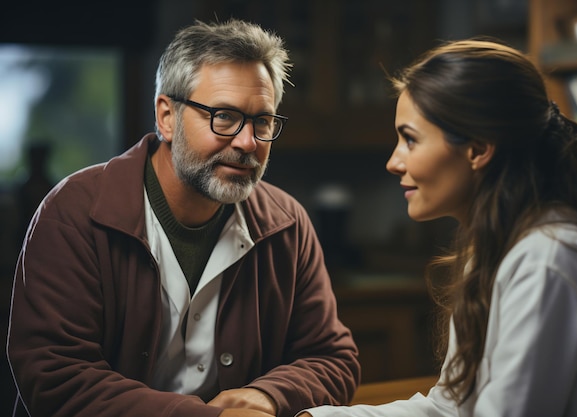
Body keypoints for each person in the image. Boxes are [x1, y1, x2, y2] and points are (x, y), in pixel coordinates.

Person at [7, 19, 360, 417]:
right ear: (166, 117)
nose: (248, 142)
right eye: (224, 116)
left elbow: (333, 359)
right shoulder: (72, 213)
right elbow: (54, 377)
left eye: (262, 121)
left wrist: (268, 397)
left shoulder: (287, 223)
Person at [300, 38, 577, 417]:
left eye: (410, 139)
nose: (393, 161)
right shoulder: (500, 249)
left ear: (478, 149)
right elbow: (450, 408)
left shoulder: (547, 263)